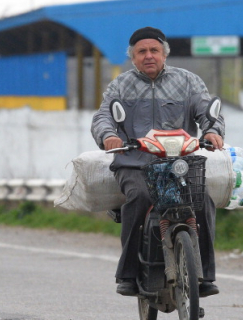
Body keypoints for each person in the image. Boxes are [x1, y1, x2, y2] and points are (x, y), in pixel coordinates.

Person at [91, 26, 225, 297]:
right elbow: (103, 117)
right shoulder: (120, 85)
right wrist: (109, 136)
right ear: (133, 57)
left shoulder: (188, 81)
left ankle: (206, 275)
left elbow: (207, 111)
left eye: (154, 50)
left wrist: (212, 130)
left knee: (203, 201)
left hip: (180, 164)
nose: (149, 55)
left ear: (164, 54)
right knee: (139, 198)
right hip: (134, 163)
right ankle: (127, 273)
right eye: (142, 51)